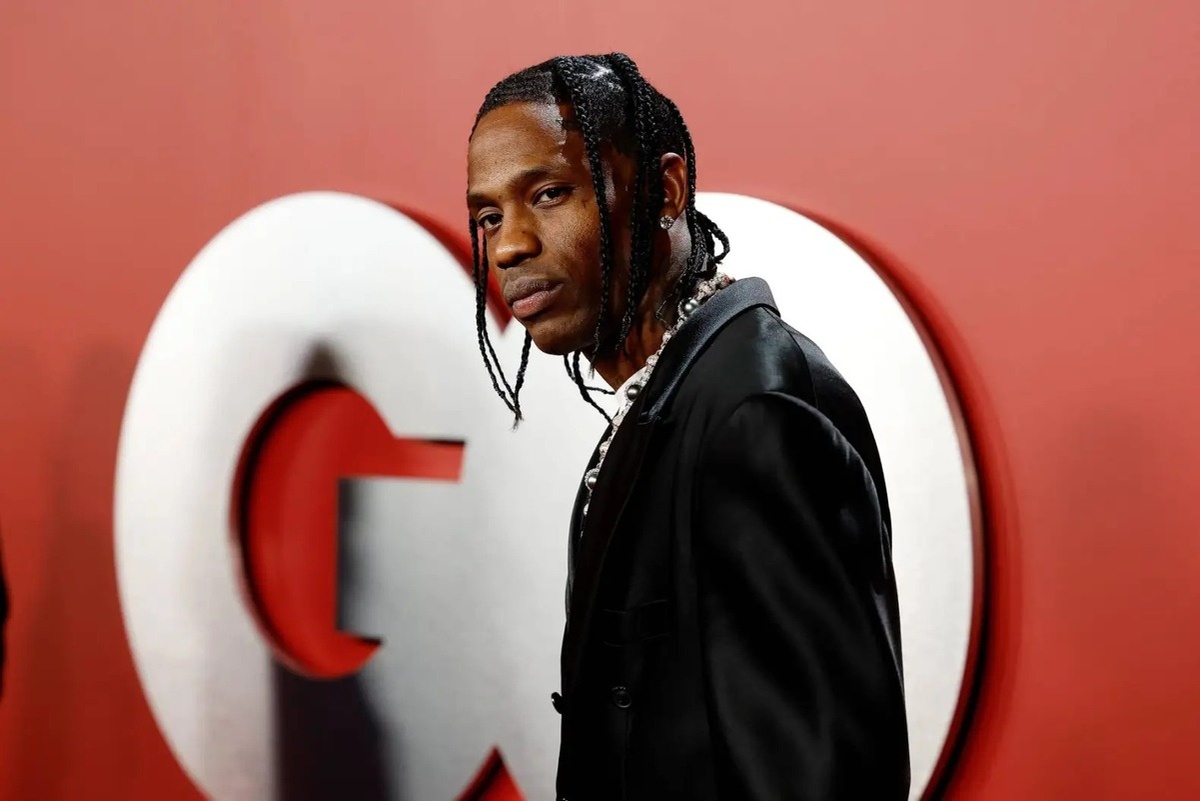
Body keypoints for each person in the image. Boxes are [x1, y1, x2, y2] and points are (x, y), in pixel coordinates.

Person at [466, 53, 910, 800]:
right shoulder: (677, 394)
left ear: (664, 191)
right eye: (489, 217)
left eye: (548, 194)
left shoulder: (755, 414)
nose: (509, 246)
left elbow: (821, 776)